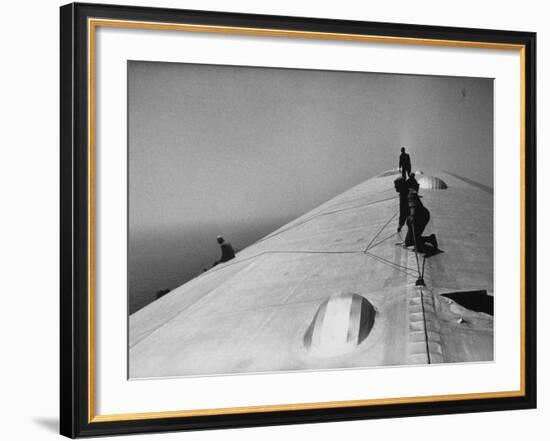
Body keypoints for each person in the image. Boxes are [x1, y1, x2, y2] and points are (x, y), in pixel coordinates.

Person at [404, 188, 439, 255]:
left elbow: (413, 207)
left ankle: (430, 239)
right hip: (422, 215)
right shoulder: (408, 194)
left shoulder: (410, 195)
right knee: (410, 240)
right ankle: (428, 239)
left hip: (421, 217)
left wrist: (412, 217)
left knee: (409, 242)